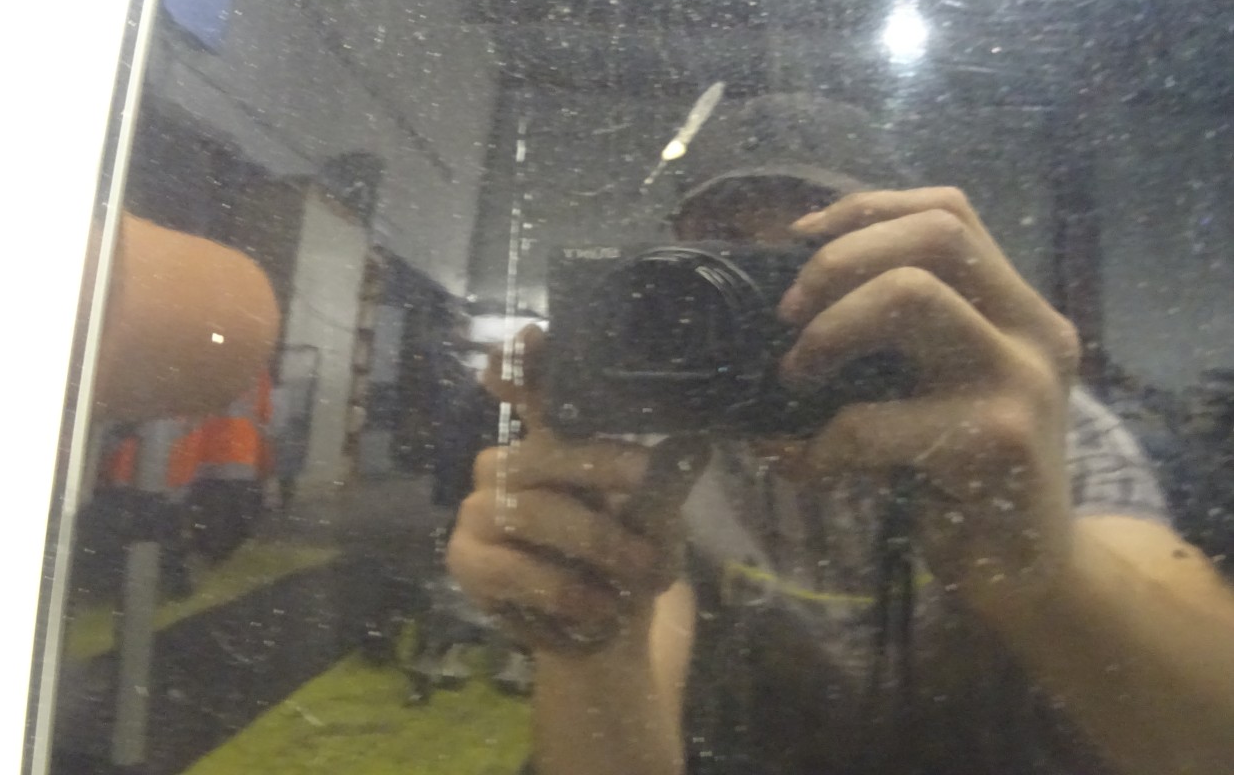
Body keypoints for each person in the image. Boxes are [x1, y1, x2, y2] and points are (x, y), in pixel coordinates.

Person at [445, 94, 1234, 775]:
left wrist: (1043, 567)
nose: (774, 307)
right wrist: (594, 636)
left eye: (810, 258)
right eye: (725, 255)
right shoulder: (655, 449)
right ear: (670, 260)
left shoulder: (1008, 431)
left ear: (910, 265)